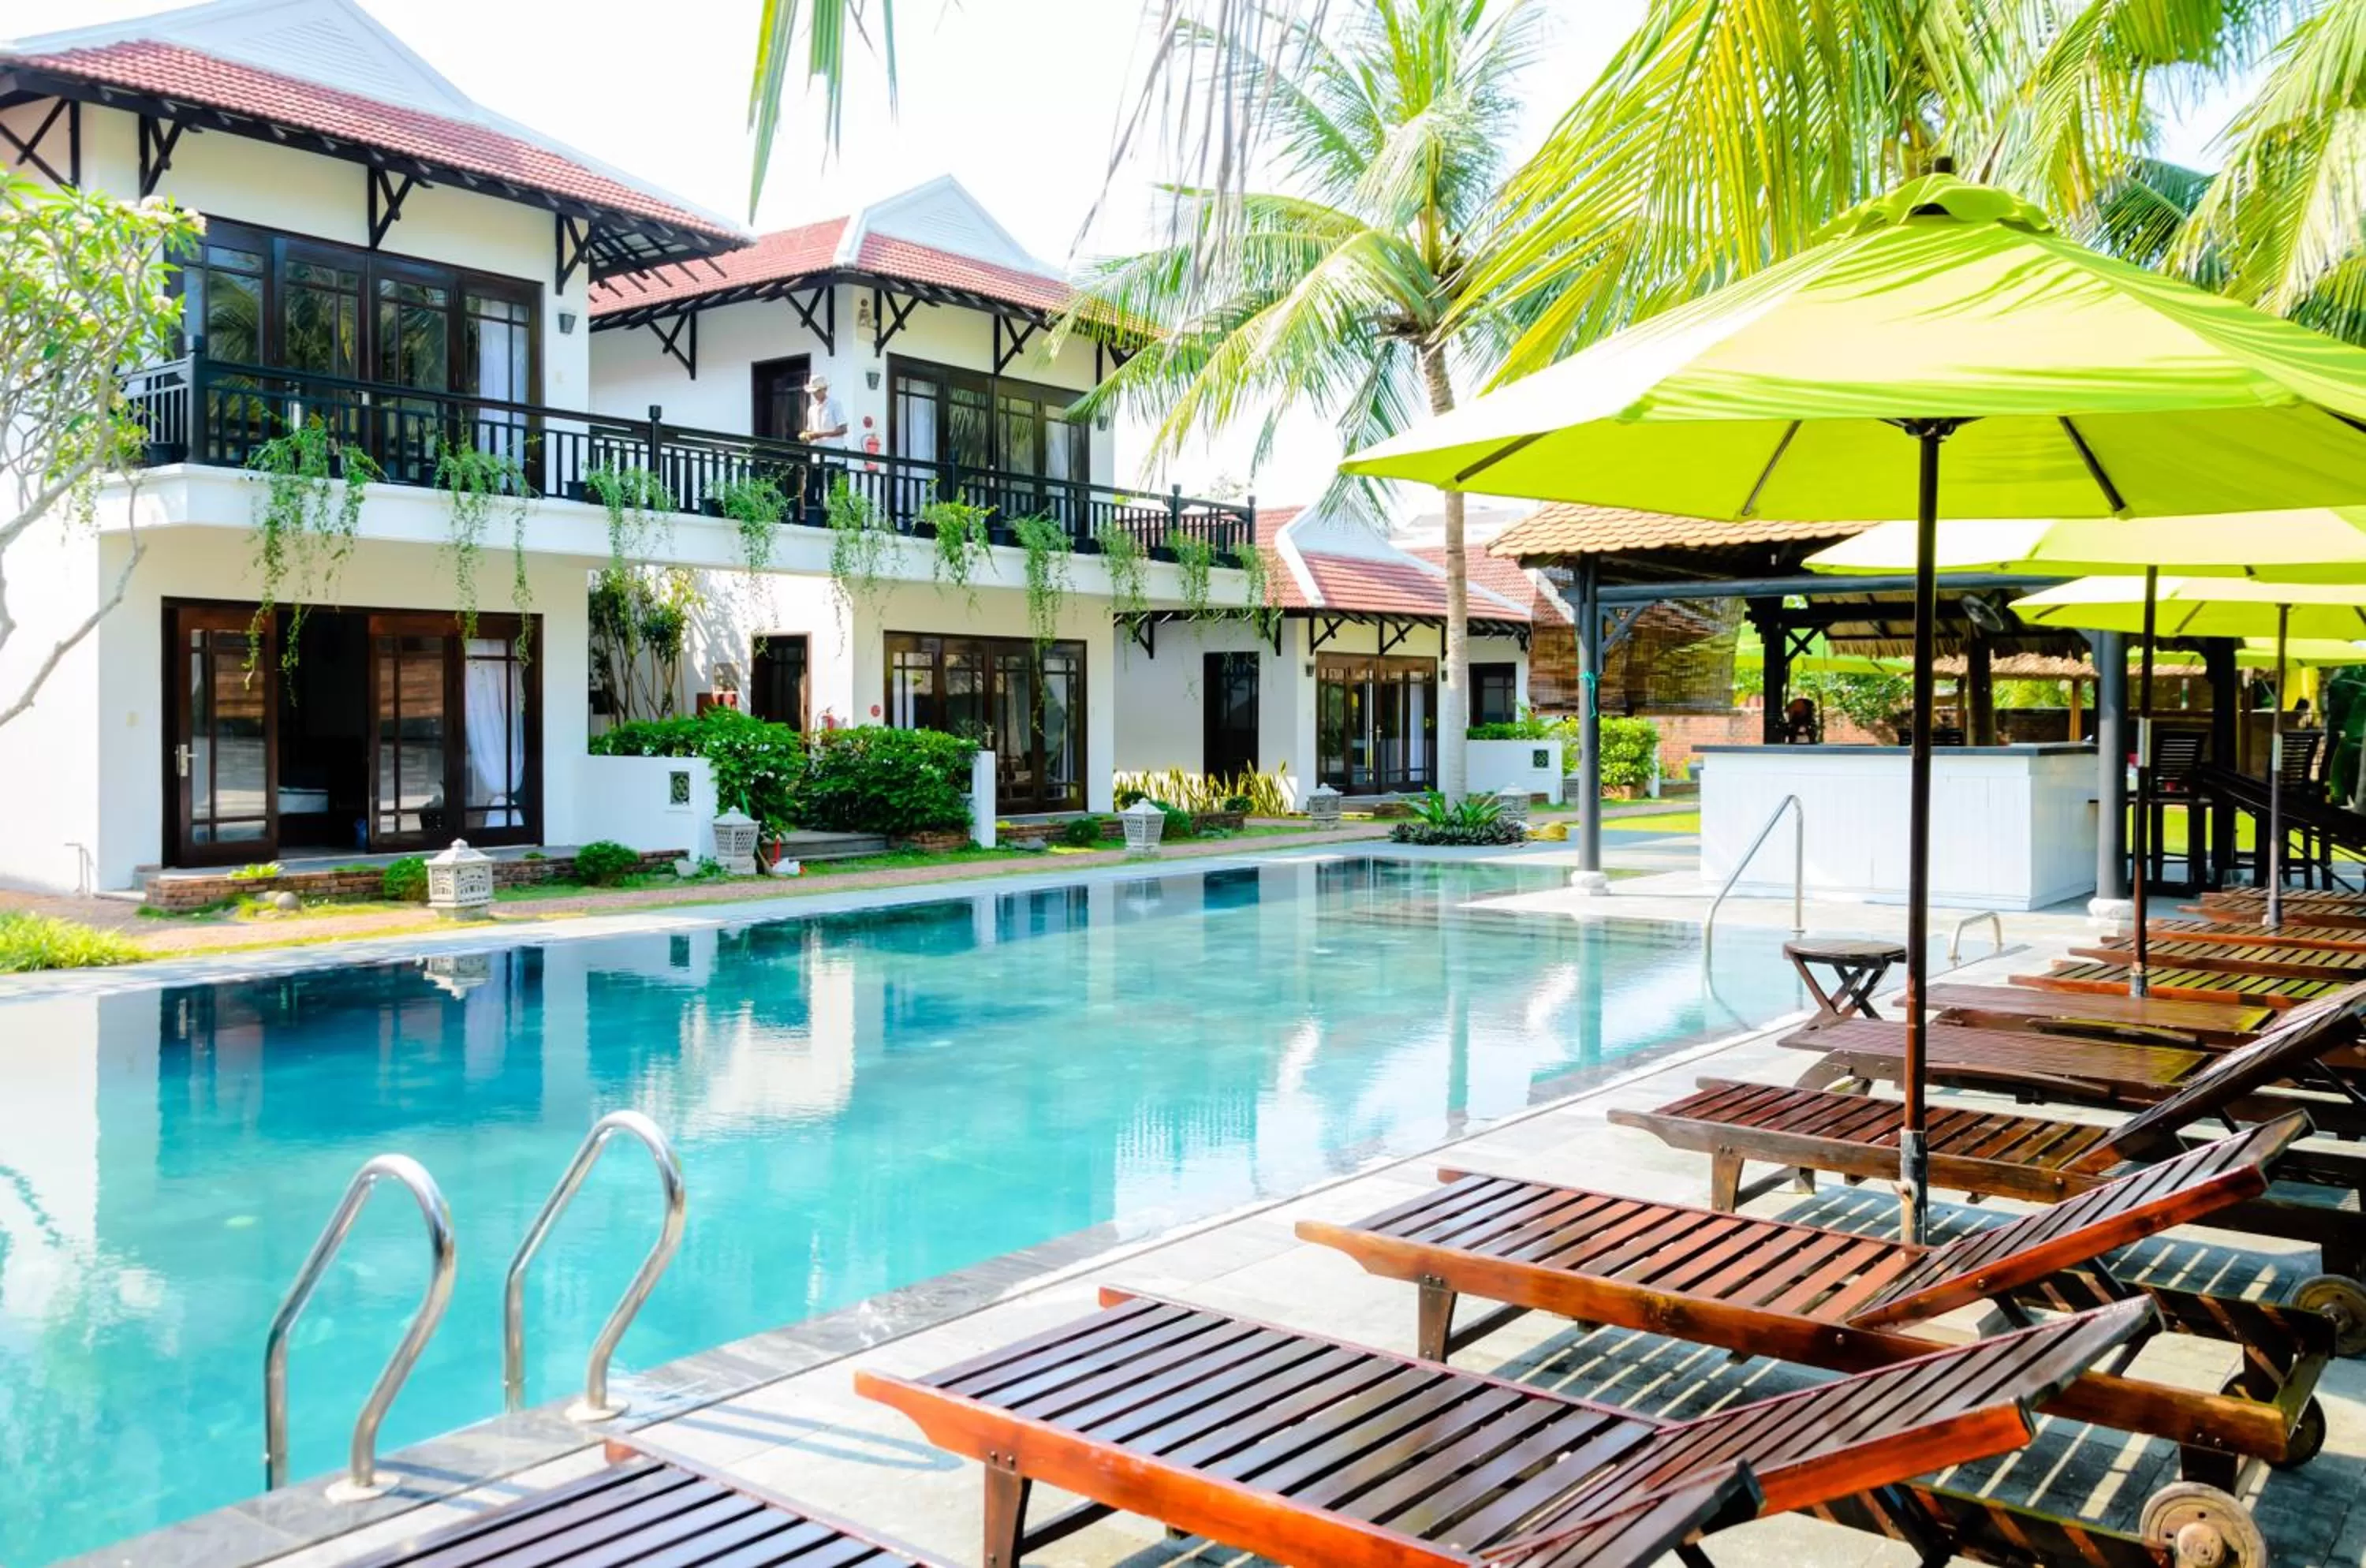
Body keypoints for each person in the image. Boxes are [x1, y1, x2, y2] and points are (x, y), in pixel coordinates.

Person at [800, 375, 849, 447]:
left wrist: (819, 435)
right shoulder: (811, 409)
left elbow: (843, 429)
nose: (815, 394)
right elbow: (810, 430)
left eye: (818, 391)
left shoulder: (835, 404)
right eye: (813, 392)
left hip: (833, 453)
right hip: (817, 453)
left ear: (825, 389)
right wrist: (805, 435)